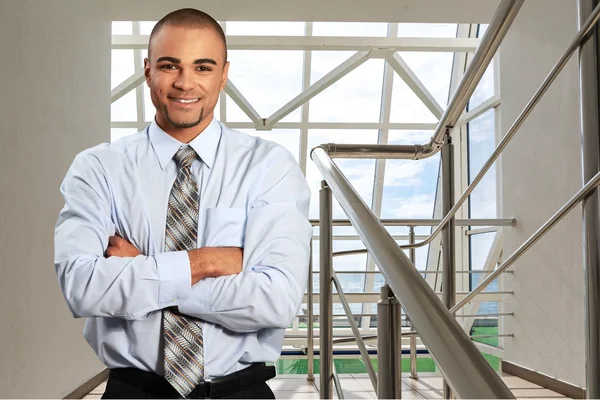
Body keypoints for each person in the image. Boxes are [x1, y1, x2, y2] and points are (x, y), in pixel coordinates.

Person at [54, 8, 312, 399]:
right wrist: (205, 263)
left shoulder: (269, 167)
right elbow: (83, 286)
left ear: (224, 74)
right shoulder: (98, 168)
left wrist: (146, 271)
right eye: (169, 65)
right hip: (133, 391)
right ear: (147, 71)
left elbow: (276, 300)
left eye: (203, 67)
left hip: (240, 392)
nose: (184, 82)